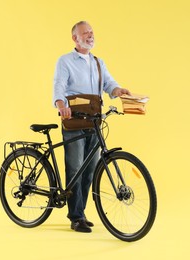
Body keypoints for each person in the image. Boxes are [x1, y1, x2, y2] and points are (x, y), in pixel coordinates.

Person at [53, 21, 130, 233]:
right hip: (74, 120)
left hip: (94, 122)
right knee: (75, 168)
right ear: (75, 38)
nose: (90, 35)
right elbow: (59, 84)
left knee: (90, 170)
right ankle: (75, 216)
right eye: (85, 33)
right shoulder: (65, 61)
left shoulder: (98, 62)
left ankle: (81, 213)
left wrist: (118, 90)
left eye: (91, 32)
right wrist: (61, 104)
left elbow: (108, 84)